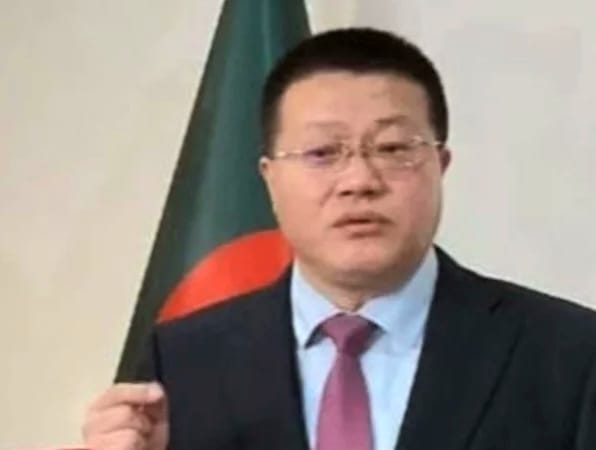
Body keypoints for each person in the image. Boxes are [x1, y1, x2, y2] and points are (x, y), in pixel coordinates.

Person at [82, 28, 596, 450]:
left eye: (393, 148)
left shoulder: (569, 354)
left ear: (440, 166)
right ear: (269, 179)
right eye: (322, 153)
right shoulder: (184, 361)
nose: (359, 181)